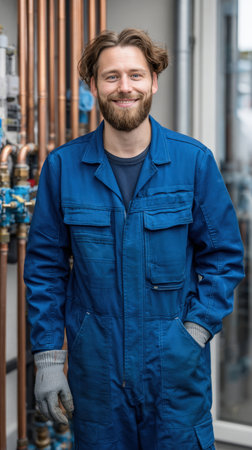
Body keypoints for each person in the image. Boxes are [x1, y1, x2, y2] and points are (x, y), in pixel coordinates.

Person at [24, 28, 244, 449]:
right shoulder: (63, 169)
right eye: (111, 77)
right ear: (94, 86)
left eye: (136, 75)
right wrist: (49, 358)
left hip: (175, 375)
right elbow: (45, 271)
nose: (124, 87)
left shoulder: (193, 162)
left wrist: (194, 332)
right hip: (97, 376)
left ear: (153, 81)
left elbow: (224, 259)